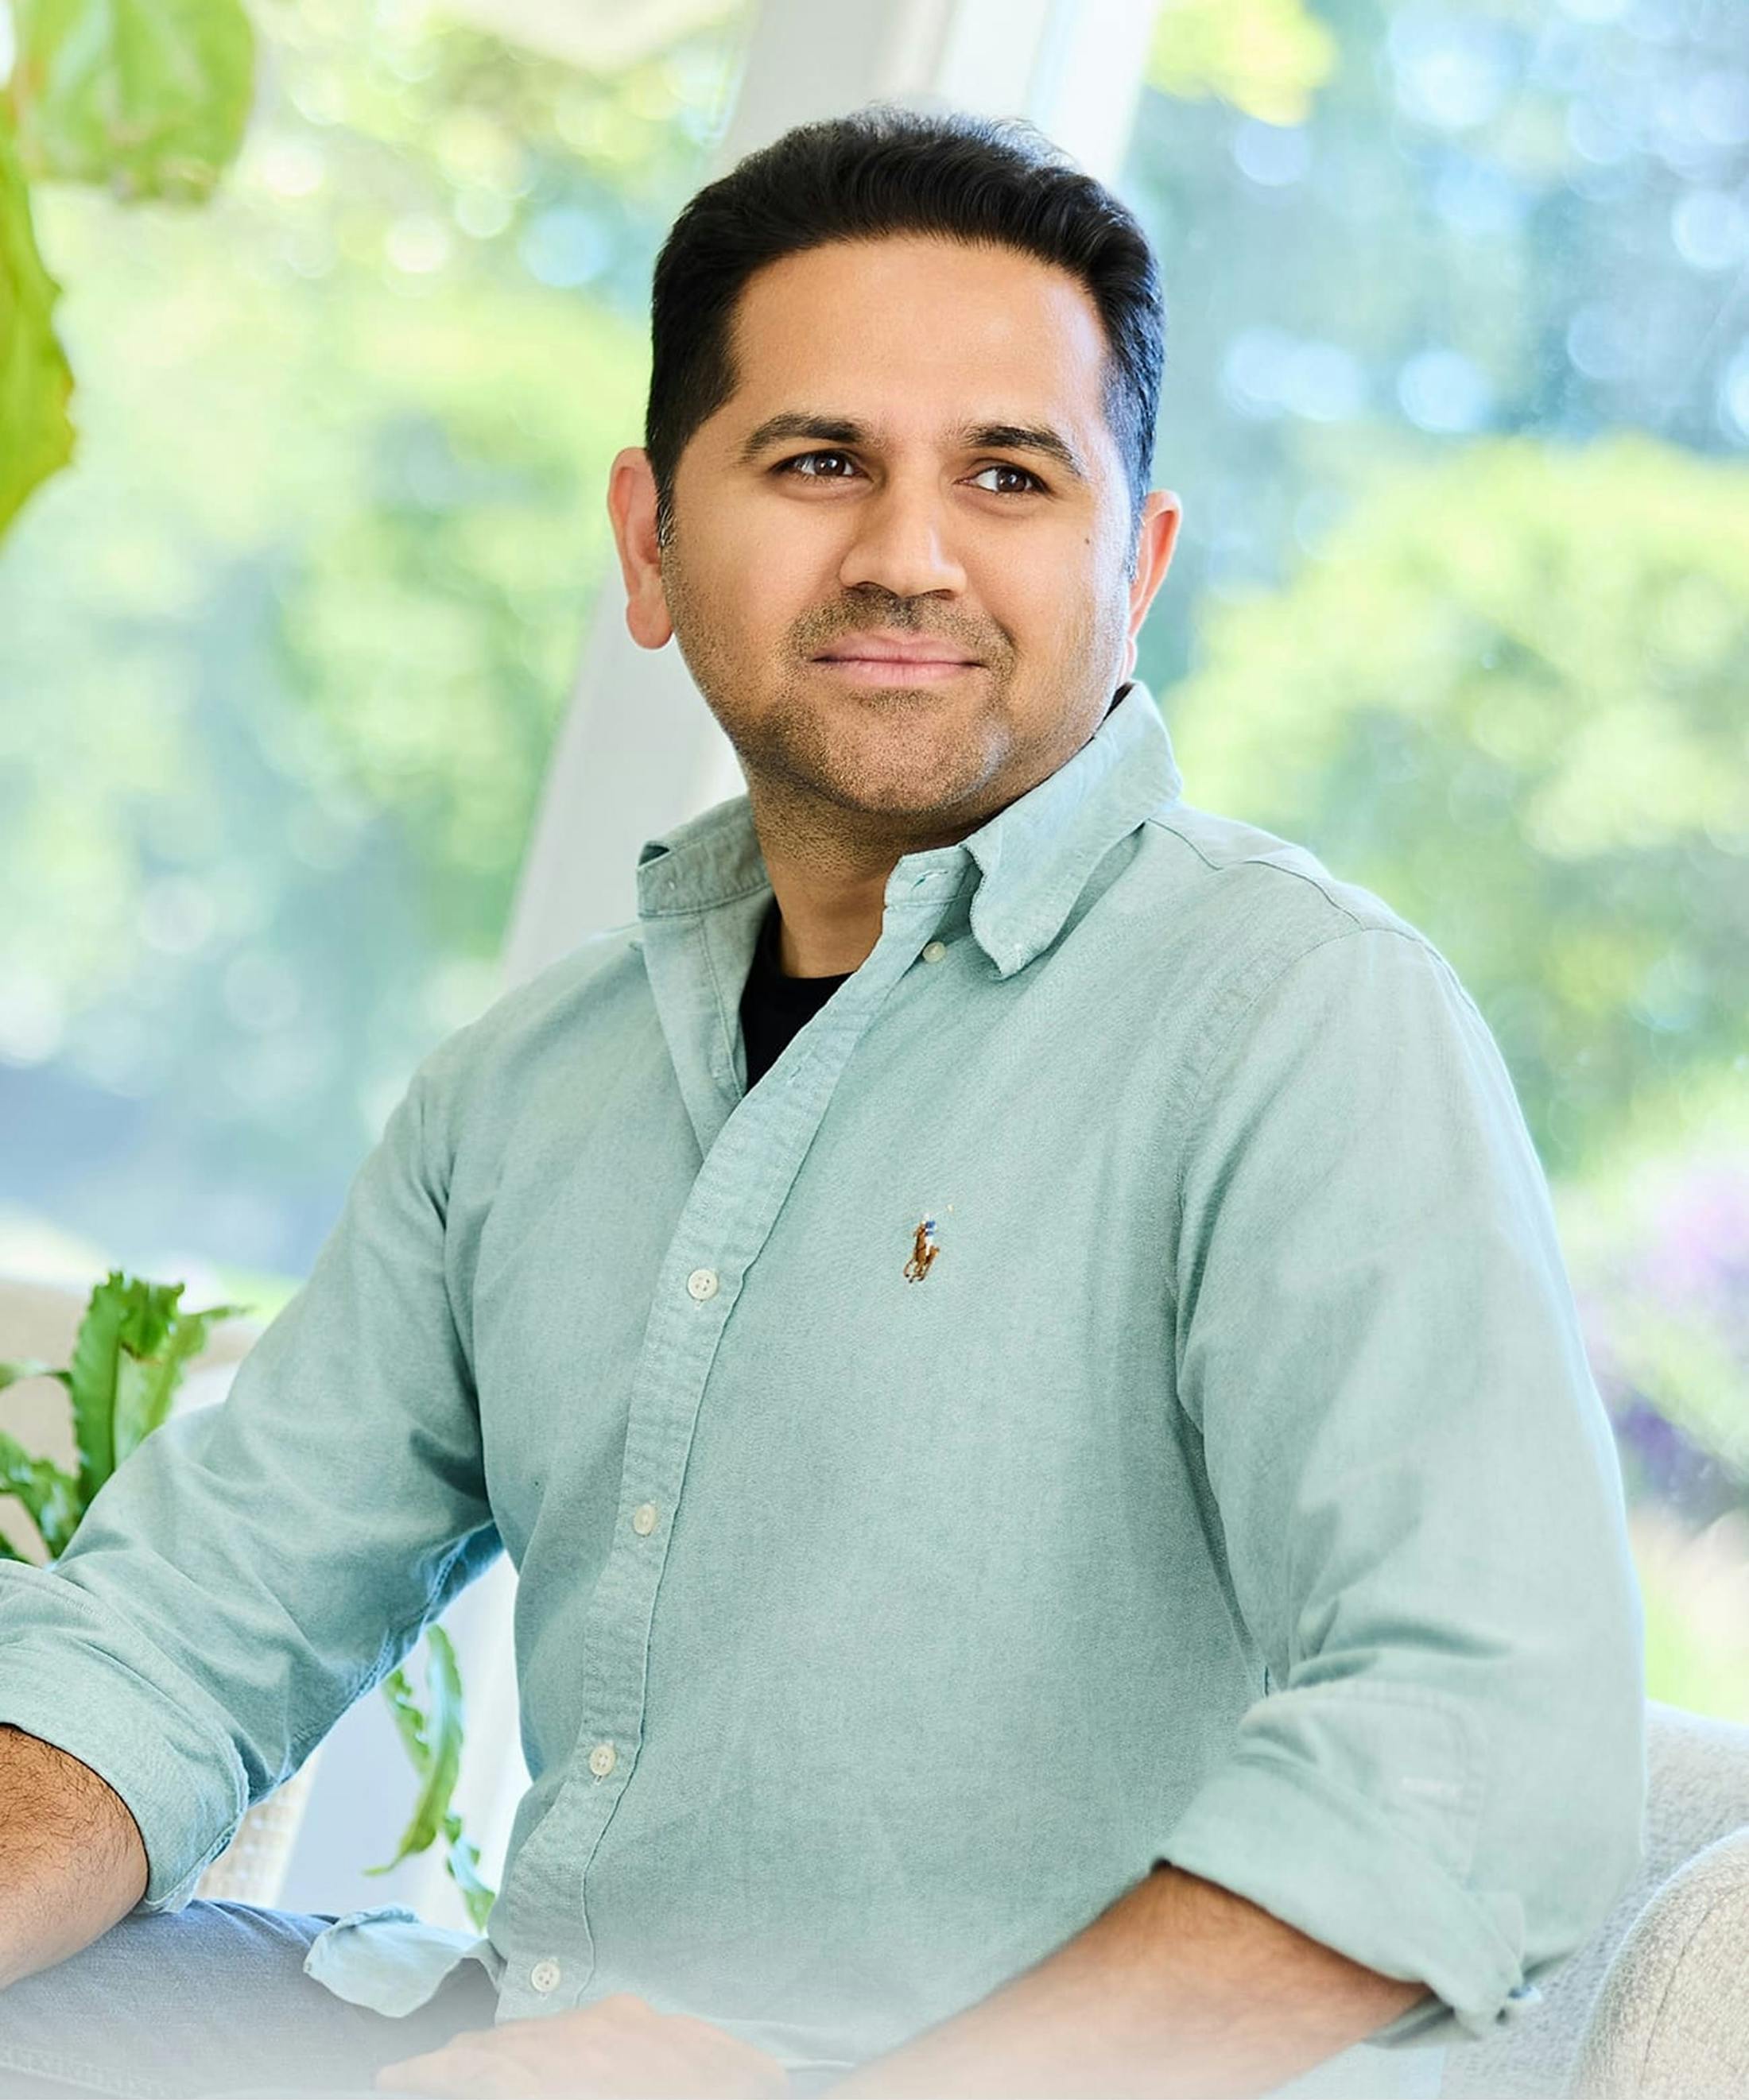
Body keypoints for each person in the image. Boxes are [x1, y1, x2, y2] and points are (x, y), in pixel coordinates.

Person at [0, 101, 1646, 2100]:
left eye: (1007, 475)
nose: (907, 553)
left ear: (1135, 560)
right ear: (649, 537)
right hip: (541, 2044)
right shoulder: (523, 1095)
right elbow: (180, 1639)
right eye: (817, 459)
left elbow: (1469, 1746)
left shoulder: (1298, 1023)